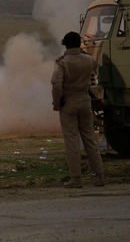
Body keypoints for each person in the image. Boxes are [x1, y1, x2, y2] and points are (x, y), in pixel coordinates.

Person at [51, 31, 104, 188]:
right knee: (90, 140)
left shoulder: (62, 63)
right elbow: (95, 69)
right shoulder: (89, 60)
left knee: (72, 141)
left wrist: (57, 103)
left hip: (69, 102)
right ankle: (99, 176)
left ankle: (76, 179)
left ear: (66, 45)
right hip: (85, 100)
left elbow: (57, 85)